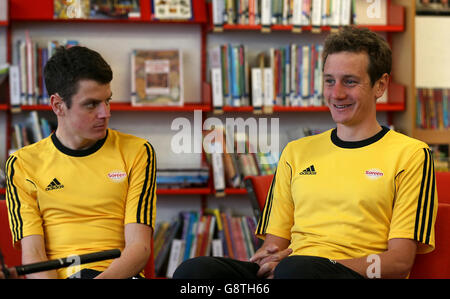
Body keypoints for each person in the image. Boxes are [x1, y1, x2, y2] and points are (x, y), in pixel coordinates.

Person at [173, 26, 438, 279]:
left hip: (348, 274)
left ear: (380, 85)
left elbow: (399, 263)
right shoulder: (296, 151)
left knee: (297, 271)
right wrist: (268, 261)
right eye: (329, 81)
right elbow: (275, 246)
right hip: (291, 271)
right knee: (194, 272)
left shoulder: (411, 154)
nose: (336, 93)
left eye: (350, 81)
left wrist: (323, 266)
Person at [4, 46, 157, 279]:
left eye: (108, 101)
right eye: (91, 104)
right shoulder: (22, 164)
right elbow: (34, 253)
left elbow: (139, 248)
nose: (105, 113)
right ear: (57, 105)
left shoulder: (137, 152)